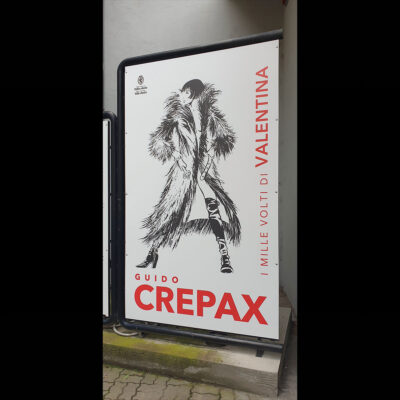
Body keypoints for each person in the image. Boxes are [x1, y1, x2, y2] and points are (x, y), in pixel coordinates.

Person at [136, 79, 240, 273]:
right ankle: (152, 253)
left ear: (190, 93)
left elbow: (226, 138)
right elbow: (159, 139)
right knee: (168, 211)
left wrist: (211, 152)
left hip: (204, 170)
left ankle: (225, 257)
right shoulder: (176, 114)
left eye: (183, 92)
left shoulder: (210, 114)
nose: (180, 94)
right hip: (183, 171)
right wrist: (176, 155)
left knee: (213, 209)